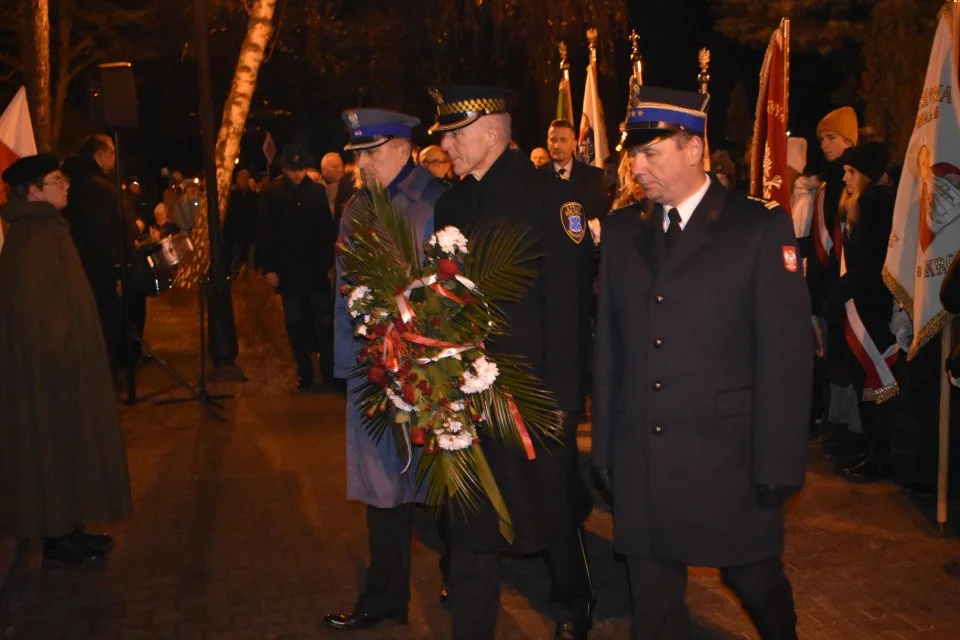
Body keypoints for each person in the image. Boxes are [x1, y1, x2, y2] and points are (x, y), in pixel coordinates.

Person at [592, 86, 811, 640]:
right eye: (632, 155)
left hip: (728, 459)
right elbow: (610, 349)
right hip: (643, 454)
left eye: (650, 153)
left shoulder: (756, 227)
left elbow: (785, 357)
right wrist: (607, 447)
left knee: (755, 581)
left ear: (694, 150)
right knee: (654, 607)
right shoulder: (621, 232)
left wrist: (779, 463)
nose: (636, 168)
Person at [429, 85, 595, 640]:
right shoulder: (449, 204)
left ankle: (572, 604)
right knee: (470, 510)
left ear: (492, 132)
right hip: (464, 390)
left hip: (533, 389)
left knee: (550, 508)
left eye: (455, 133)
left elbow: (568, 308)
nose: (446, 145)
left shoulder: (550, 198)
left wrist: (566, 402)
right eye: (444, 136)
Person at [323, 109, 449, 632]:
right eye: (357, 155)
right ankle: (384, 598)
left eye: (370, 153)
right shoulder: (357, 205)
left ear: (403, 148)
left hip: (425, 371)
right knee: (383, 488)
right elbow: (343, 288)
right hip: (371, 368)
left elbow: (451, 288)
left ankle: (462, 578)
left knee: (442, 480)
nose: (362, 164)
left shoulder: (437, 200)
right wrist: (344, 364)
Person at [0, 154, 132, 569]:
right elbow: (38, 317)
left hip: (62, 367)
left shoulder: (47, 230)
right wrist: (67, 360)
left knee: (64, 446)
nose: (67, 186)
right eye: (56, 181)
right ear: (34, 190)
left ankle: (67, 528)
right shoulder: (34, 238)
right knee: (51, 445)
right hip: (51, 373)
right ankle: (58, 534)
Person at [257, 144, 337, 392]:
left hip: (315, 270)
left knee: (321, 323)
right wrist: (269, 268)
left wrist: (330, 265)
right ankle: (304, 370)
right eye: (293, 170)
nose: (298, 175)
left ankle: (328, 371)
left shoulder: (316, 192)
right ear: (284, 169)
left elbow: (326, 230)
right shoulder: (272, 193)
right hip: (289, 272)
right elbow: (265, 232)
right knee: (295, 323)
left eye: (301, 169)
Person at [61, 133, 136, 371]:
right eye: (112, 152)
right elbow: (107, 233)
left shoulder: (76, 183)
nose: (115, 158)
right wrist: (118, 268)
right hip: (100, 269)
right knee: (105, 327)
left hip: (80, 265)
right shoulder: (98, 190)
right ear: (100, 154)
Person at [544, 119, 609, 221]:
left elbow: (603, 218)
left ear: (574, 143)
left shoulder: (594, 177)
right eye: (553, 140)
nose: (557, 145)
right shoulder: (536, 177)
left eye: (563, 140)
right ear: (547, 143)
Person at [223, 168, 260, 273]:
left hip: (250, 233)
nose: (244, 181)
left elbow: (255, 211)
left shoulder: (253, 196)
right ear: (238, 179)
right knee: (236, 261)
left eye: (246, 179)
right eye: (242, 178)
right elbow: (232, 214)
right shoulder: (233, 195)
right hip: (237, 234)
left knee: (250, 262)